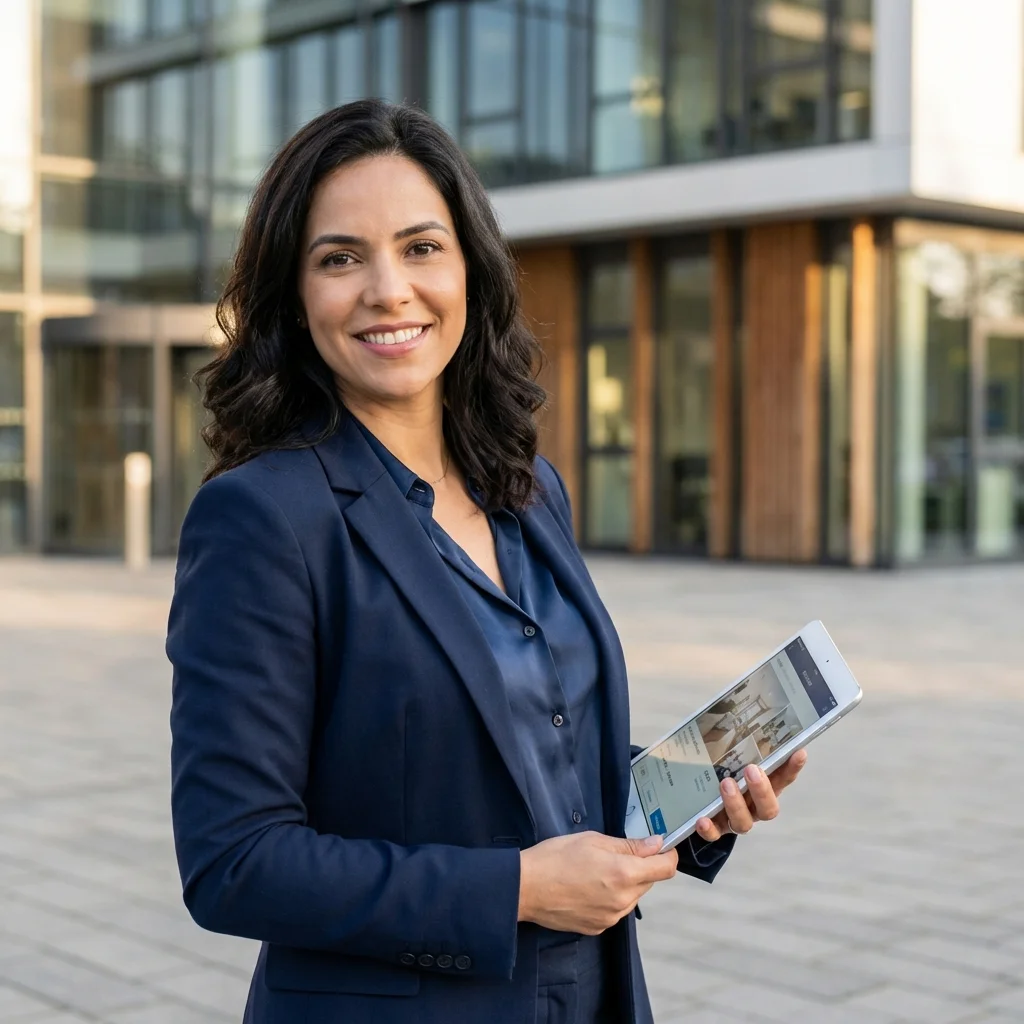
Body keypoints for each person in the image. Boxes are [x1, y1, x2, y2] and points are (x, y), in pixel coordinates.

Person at [167, 99, 808, 1024]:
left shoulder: (530, 487)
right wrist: (519, 889)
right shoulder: (262, 518)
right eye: (340, 258)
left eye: (421, 247)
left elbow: (535, 752)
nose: (389, 290)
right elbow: (234, 862)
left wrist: (694, 802)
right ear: (294, 296)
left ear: (470, 267)